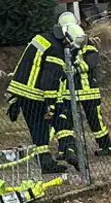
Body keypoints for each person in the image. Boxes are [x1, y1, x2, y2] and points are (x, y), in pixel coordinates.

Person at [6, 15, 73, 174]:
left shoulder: (41, 39)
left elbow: (22, 67)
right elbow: (49, 80)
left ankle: (46, 162)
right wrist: (51, 105)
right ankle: (67, 150)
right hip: (37, 95)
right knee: (55, 121)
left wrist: (14, 99)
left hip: (22, 91)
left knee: (38, 129)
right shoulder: (56, 51)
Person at [58, 15, 111, 158]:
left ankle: (105, 146)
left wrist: (75, 68)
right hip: (69, 92)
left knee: (95, 120)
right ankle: (67, 150)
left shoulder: (87, 43)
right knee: (65, 122)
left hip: (88, 90)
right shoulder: (63, 47)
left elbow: (92, 61)